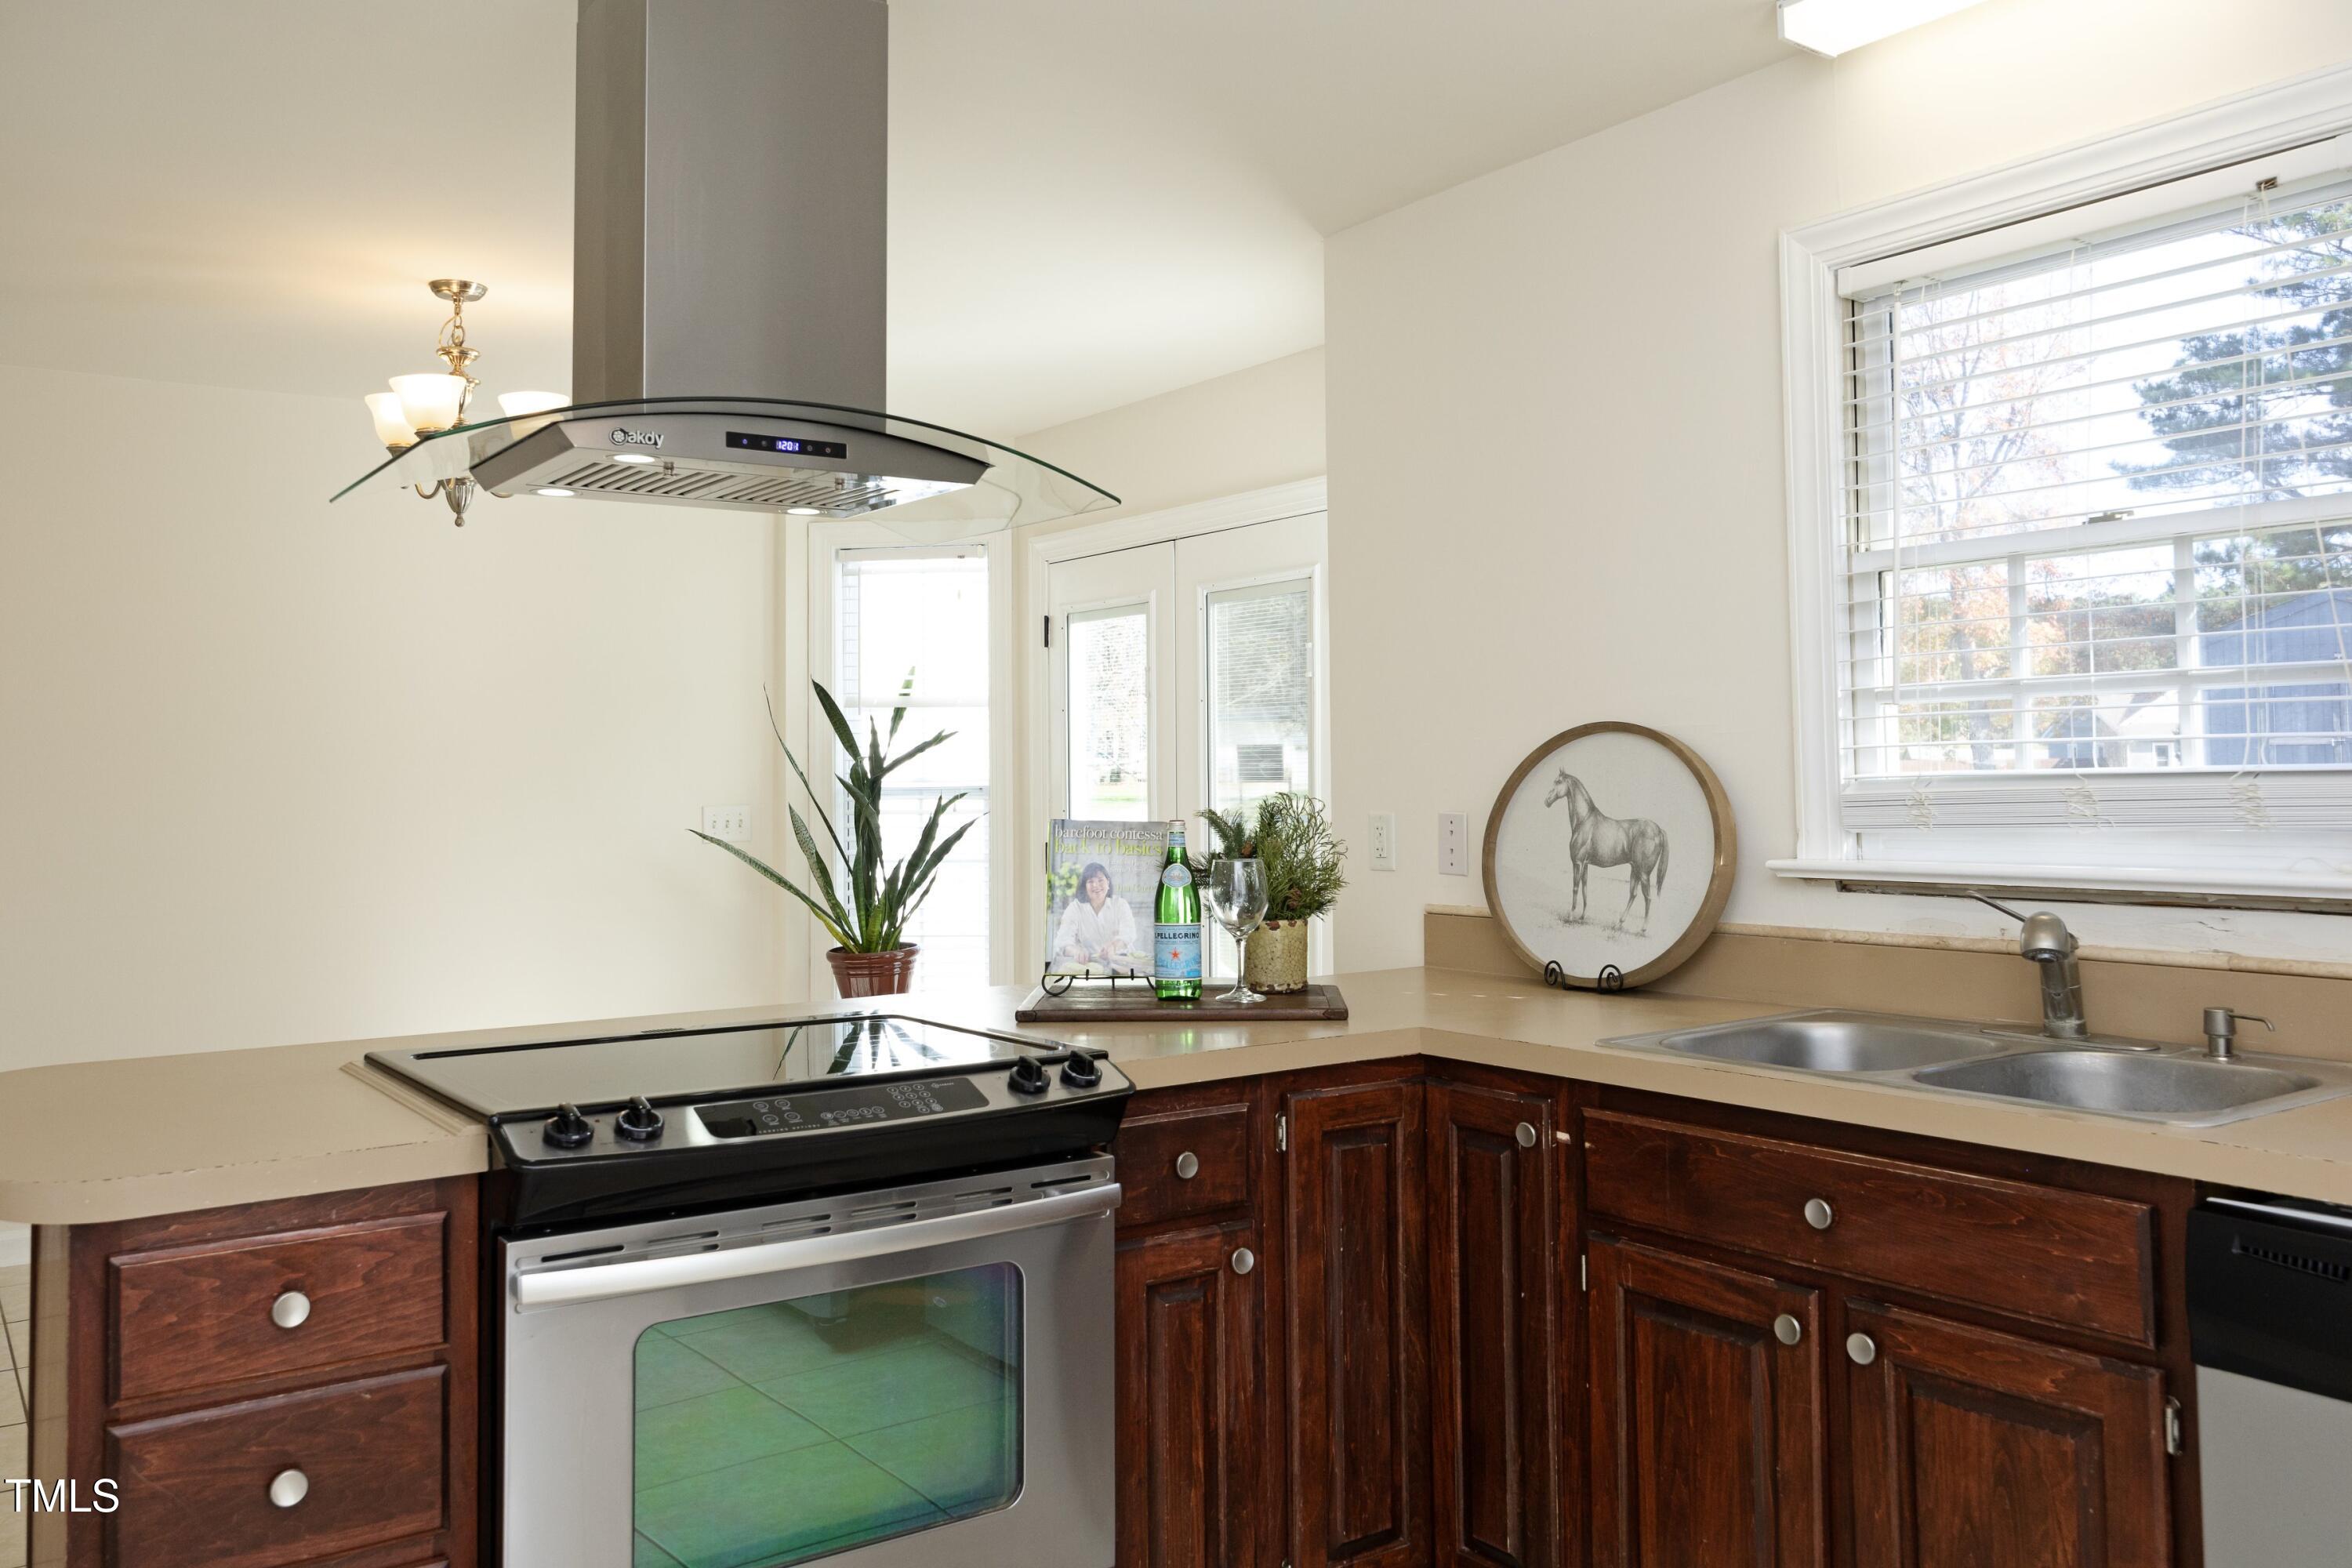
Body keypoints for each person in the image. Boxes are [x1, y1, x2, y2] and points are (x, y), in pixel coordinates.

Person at [1054, 861, 1138, 971]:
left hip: (1122, 964)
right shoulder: (1074, 908)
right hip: (1092, 966)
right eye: (1090, 882)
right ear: (1084, 886)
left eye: (1100, 880)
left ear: (1108, 882)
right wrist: (1076, 951)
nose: (1096, 885)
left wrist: (1114, 946)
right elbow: (1063, 942)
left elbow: (1129, 934)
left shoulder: (1120, 904)